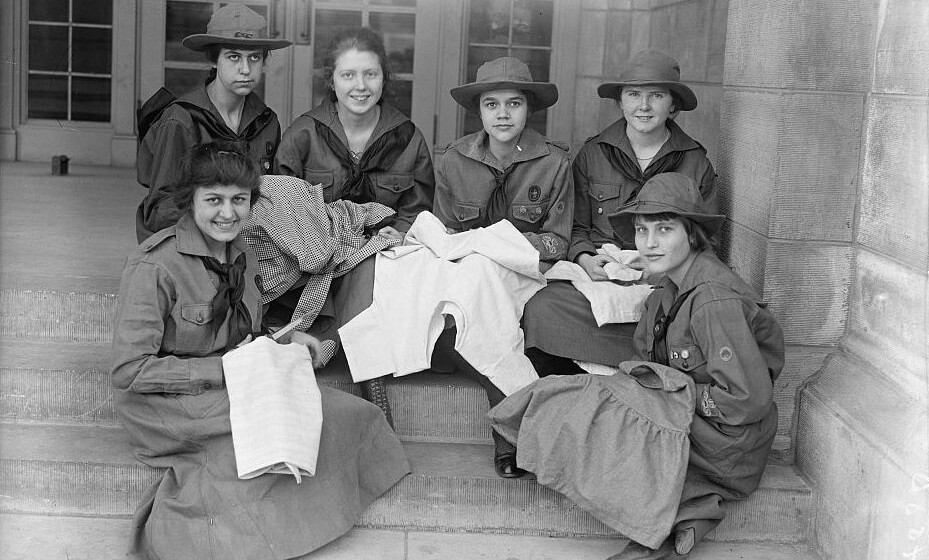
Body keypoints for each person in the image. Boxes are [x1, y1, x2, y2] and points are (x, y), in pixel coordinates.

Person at [110, 143, 410, 560]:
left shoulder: (243, 254)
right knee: (265, 442)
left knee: (348, 415)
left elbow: (242, 335)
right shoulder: (154, 266)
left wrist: (283, 341)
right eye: (213, 200)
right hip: (163, 404)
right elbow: (129, 371)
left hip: (231, 385)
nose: (228, 213)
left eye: (239, 200)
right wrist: (226, 370)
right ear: (190, 200)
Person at [607, 172, 782, 559]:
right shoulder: (664, 295)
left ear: (692, 235)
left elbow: (747, 399)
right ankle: (687, 511)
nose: (649, 243)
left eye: (664, 229)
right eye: (641, 230)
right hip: (694, 426)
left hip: (728, 443)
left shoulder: (712, 302)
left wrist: (675, 394)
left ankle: (674, 519)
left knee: (605, 427)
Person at [271, 27, 434, 421]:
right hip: (313, 254)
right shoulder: (304, 132)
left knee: (369, 264)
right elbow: (279, 204)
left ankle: (360, 372)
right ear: (332, 80)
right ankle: (368, 375)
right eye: (348, 75)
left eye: (370, 74)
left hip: (383, 257)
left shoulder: (407, 137)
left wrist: (399, 233)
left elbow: (418, 209)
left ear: (384, 78)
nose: (360, 86)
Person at [522, 49, 718, 376]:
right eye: (633, 95)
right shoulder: (593, 154)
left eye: (656, 95)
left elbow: (706, 243)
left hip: (662, 282)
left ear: (673, 106)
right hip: (598, 277)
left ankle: (637, 374)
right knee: (541, 306)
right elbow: (575, 227)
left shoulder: (695, 162)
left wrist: (662, 268)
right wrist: (585, 258)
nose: (643, 106)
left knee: (680, 315)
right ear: (619, 103)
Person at [432, 56, 572, 479]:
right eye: (492, 104)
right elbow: (443, 237)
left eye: (514, 103)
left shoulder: (554, 163)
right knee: (468, 319)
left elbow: (557, 240)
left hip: (531, 275)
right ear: (479, 111)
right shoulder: (454, 160)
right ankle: (516, 433)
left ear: (529, 108)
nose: (503, 114)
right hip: (472, 276)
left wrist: (500, 247)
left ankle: (513, 435)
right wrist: (478, 254)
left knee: (498, 326)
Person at [135, 3, 290, 243]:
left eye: (255, 57)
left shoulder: (267, 122)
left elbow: (268, 197)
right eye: (234, 57)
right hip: (189, 244)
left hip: (249, 244)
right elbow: (161, 209)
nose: (245, 69)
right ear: (214, 60)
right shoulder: (182, 120)